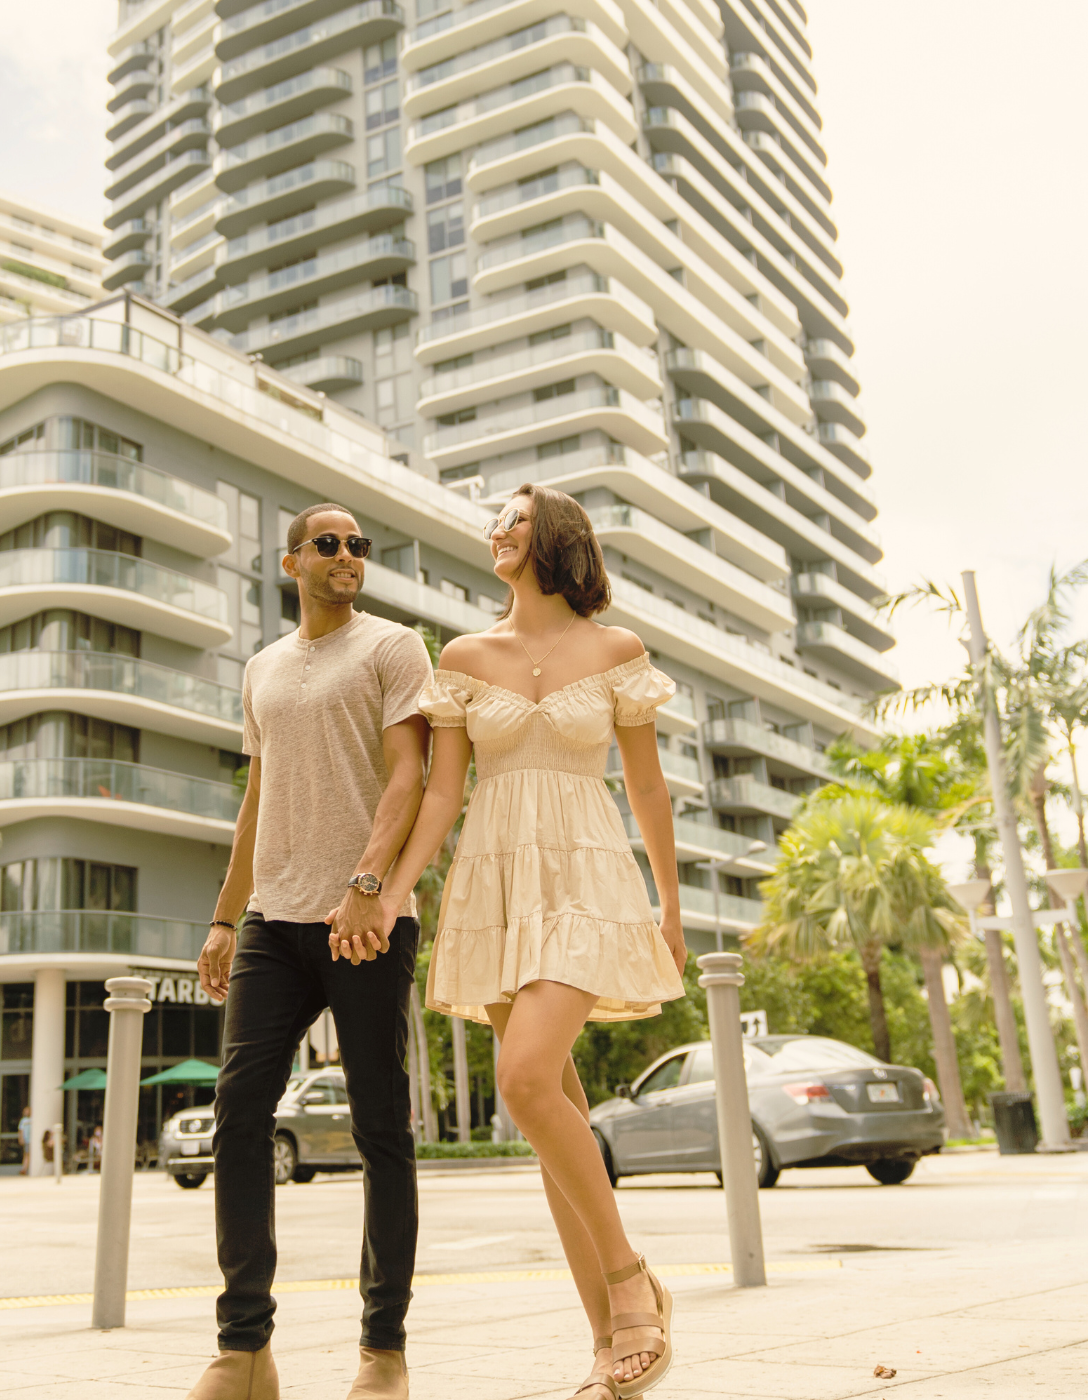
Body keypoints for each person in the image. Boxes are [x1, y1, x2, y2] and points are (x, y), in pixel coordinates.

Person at [373, 485, 688, 1399]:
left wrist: (670, 907)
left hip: (587, 873)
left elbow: (650, 789)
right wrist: (395, 888)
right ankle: (605, 1343)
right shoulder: (465, 656)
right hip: (496, 879)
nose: (497, 531)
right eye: (495, 522)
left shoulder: (615, 650)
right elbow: (440, 792)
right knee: (554, 1115)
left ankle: (632, 1288)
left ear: (554, 537)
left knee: (523, 1079)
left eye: (513, 518)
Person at [191, 503, 432, 1400]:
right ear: (292, 561)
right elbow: (260, 797)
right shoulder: (261, 669)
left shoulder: (393, 648)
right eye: (328, 544)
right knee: (239, 1109)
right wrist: (224, 917)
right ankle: (244, 1349)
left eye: (359, 546)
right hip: (273, 921)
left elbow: (408, 772)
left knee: (380, 1128)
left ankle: (383, 1350)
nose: (347, 556)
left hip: (364, 918)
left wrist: (369, 887)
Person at [18, 1105, 32, 1176]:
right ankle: (24, 1169)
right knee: (27, 1154)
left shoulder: (34, 1119)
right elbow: (21, 1130)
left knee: (29, 1154)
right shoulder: (23, 1121)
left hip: (32, 1140)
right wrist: (21, 1138)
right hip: (27, 1140)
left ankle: (26, 1168)